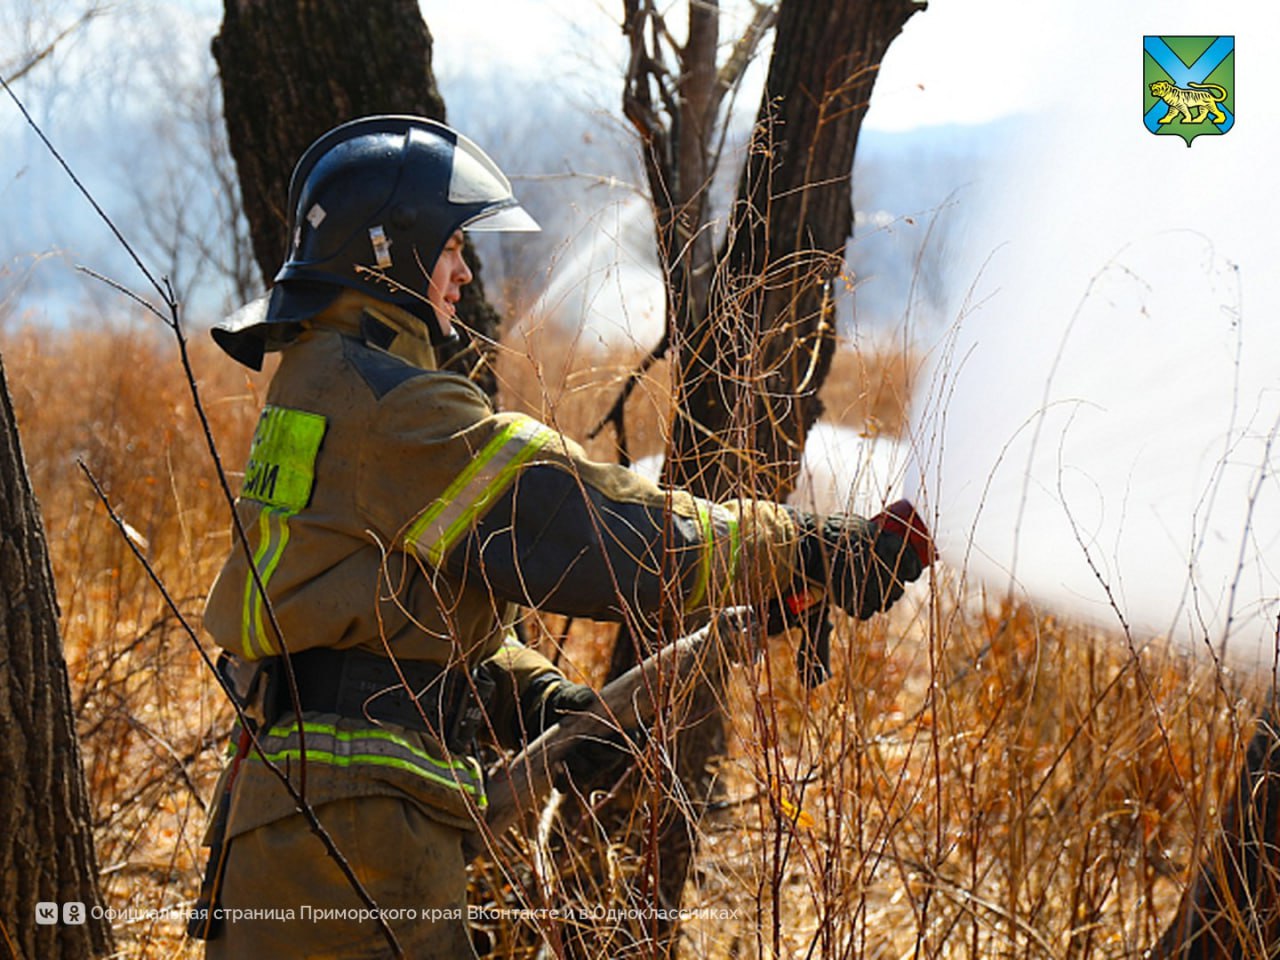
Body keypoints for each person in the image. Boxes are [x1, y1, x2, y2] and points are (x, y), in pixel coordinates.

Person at [194, 115, 932, 959]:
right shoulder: (391, 407)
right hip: (355, 832)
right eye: (450, 249)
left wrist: (540, 699)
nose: (463, 274)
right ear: (389, 251)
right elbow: (598, 534)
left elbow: (368, 612)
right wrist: (805, 545)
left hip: (291, 817)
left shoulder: (320, 387)